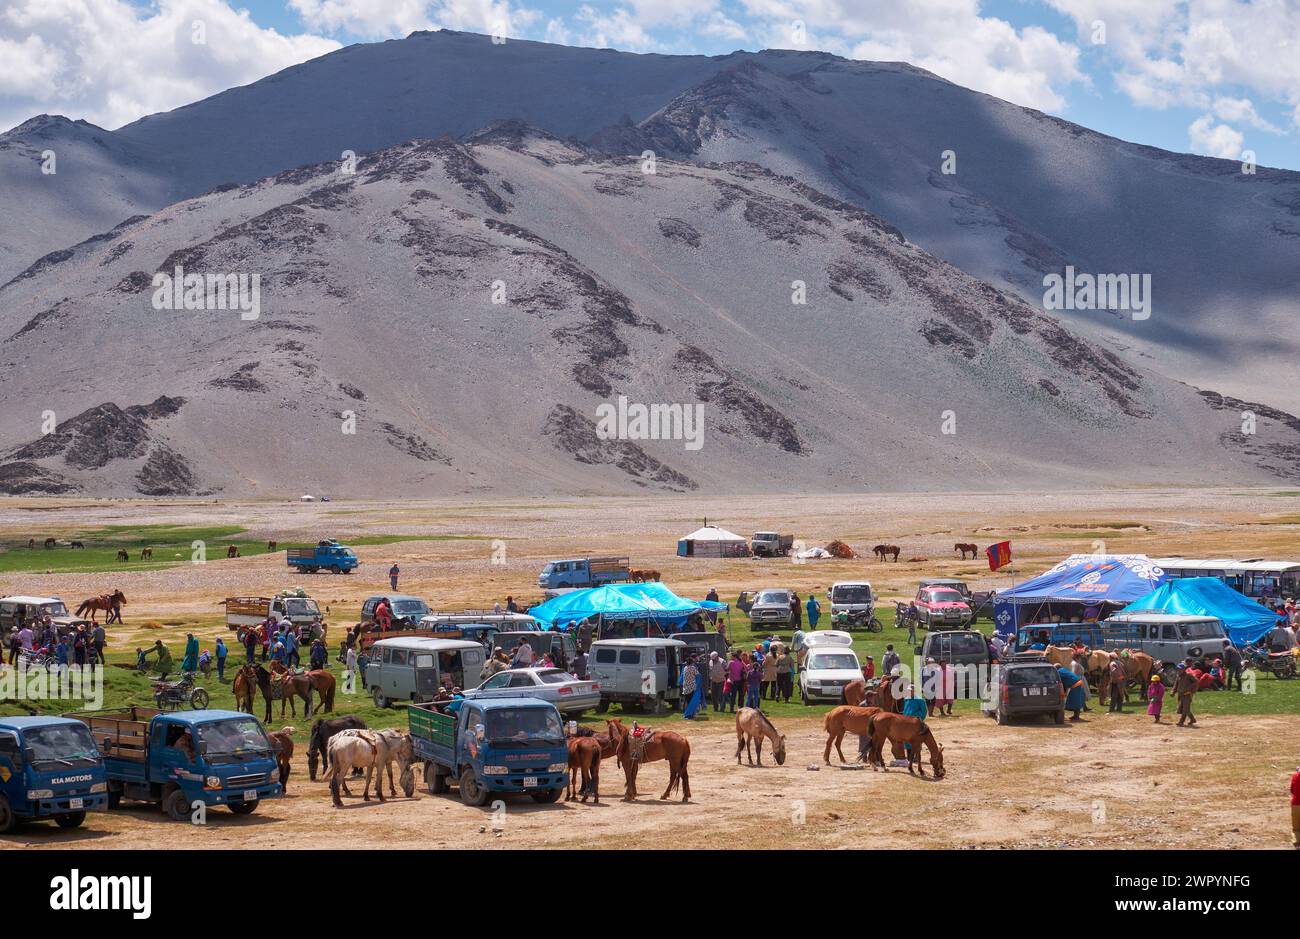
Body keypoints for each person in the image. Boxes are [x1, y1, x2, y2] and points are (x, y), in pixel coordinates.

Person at [1174, 662, 1198, 727]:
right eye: (1178, 669)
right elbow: (1176, 685)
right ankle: (1192, 719)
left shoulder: (1188, 675)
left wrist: (1191, 691)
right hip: (1181, 695)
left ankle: (1181, 722)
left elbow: (1196, 682)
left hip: (1187, 695)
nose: (1179, 671)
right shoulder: (1178, 677)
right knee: (1184, 708)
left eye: (1180, 669)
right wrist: (1173, 692)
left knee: (1185, 709)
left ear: (1184, 669)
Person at [1290, 765, 1300, 849]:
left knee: (1296, 827)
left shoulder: (1294, 776)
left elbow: (1292, 790)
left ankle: (1297, 844)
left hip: (1295, 803)